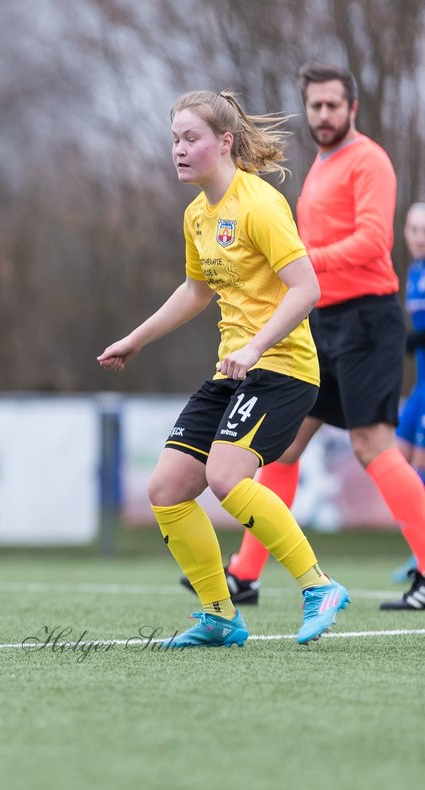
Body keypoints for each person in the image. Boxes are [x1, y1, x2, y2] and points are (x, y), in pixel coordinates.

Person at [99, 89, 349, 647]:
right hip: (233, 372)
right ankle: (219, 616)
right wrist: (135, 340)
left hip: (283, 369)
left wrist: (257, 346)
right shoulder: (196, 214)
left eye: (191, 139)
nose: (179, 151)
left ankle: (319, 586)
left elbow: (307, 288)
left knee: (225, 477)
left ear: (225, 142)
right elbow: (194, 291)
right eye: (174, 140)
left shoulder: (259, 203)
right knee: (166, 488)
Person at [203, 63, 425, 612]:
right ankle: (245, 576)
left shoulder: (369, 160)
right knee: (285, 444)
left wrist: (296, 260)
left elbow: (373, 243)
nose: (323, 114)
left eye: (333, 105)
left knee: (371, 445)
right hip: (320, 322)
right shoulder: (321, 166)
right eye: (315, 105)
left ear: (352, 108)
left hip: (368, 319)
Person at [390, 202, 425, 594]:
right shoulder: (414, 272)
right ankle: (419, 550)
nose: (419, 236)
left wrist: (401, 341)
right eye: (413, 229)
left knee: (418, 468)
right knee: (398, 462)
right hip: (420, 387)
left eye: (424, 229)